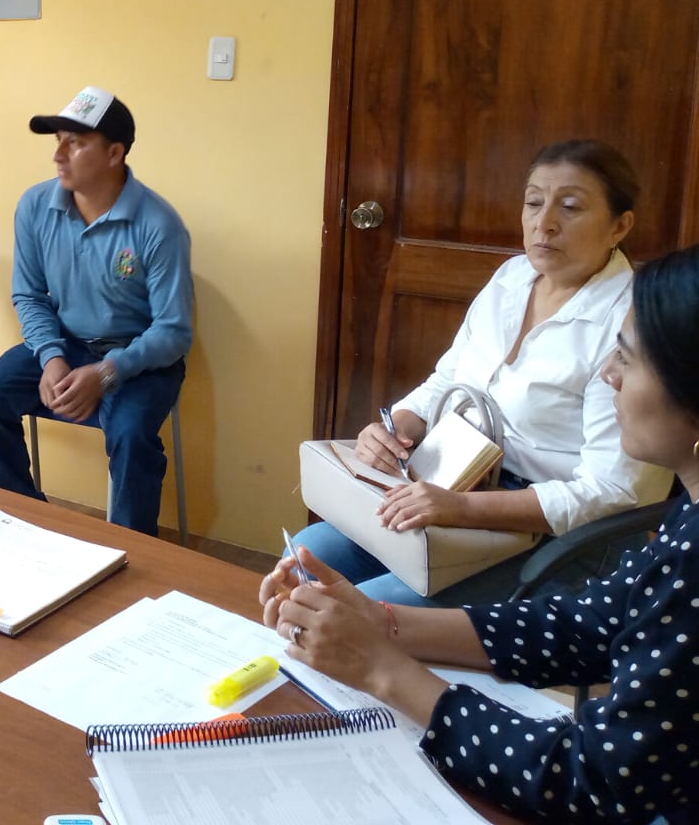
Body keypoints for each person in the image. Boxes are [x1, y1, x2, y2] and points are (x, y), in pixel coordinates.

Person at [260, 244, 699, 824]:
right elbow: (591, 624)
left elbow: (593, 782)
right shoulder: (687, 519)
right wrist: (382, 623)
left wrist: (383, 670)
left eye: (628, 358)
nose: (608, 374)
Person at [294, 139, 671, 606]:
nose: (544, 223)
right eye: (533, 202)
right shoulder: (512, 278)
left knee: (375, 610)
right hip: (460, 487)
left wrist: (462, 508)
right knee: (306, 558)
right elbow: (448, 378)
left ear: (620, 225)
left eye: (570, 207)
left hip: (560, 533)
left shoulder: (632, 321)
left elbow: (612, 490)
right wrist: (398, 428)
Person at [0, 86, 192, 535]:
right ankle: (28, 527)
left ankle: (132, 550)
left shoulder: (159, 225)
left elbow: (173, 331)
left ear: (114, 153)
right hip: (66, 343)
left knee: (131, 435)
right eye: (58, 142)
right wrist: (51, 357)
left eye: (76, 143)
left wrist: (106, 373)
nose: (59, 155)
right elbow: (29, 295)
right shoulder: (36, 206)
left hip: (140, 357)